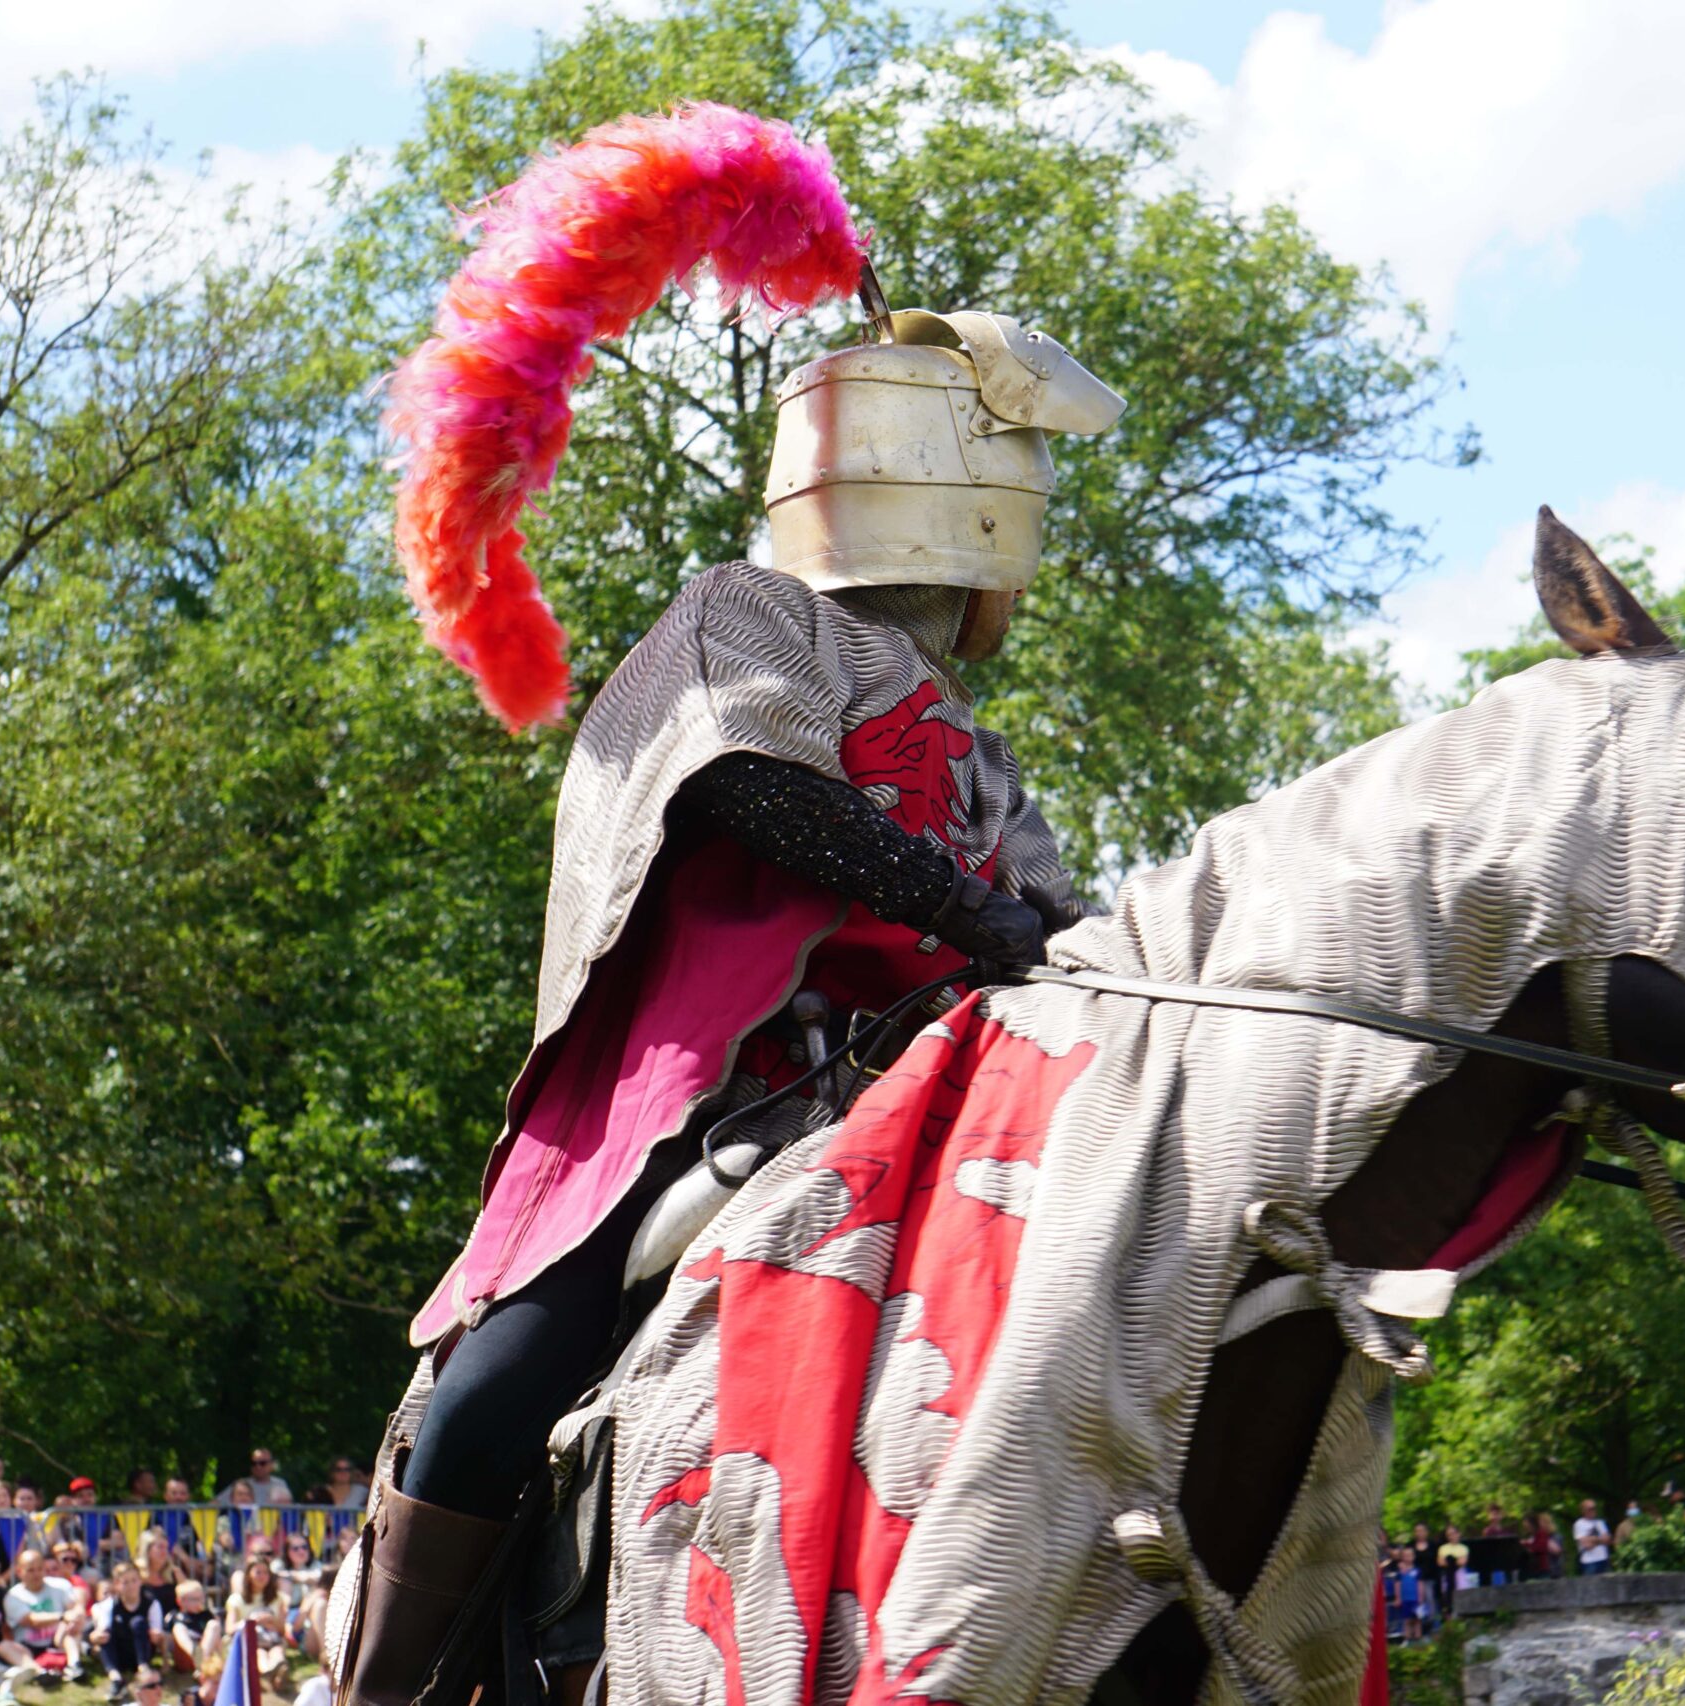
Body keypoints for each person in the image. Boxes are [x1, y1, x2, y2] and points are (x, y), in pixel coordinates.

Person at [341, 110, 1117, 1706]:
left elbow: (1066, 931)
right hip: (722, 1111)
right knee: (499, 1388)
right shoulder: (748, 610)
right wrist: (972, 920)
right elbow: (743, 788)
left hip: (939, 1121)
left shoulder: (972, 736)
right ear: (965, 489)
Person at [93, 1560, 166, 1697]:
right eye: (125, 1582)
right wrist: (96, 1636)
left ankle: (143, 1667)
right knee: (106, 1634)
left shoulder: (151, 1604)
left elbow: (158, 1633)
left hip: (142, 1650)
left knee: (138, 1622)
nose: (131, 1586)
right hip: (119, 1652)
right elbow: (101, 1628)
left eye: (134, 1580)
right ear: (117, 1585)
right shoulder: (110, 1605)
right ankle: (116, 1678)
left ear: (140, 1581)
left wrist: (156, 1635)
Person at [5, 1548, 81, 1678]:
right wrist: (62, 1616)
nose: (36, 1574)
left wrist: (74, 1616)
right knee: (4, 1646)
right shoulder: (13, 1596)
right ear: (19, 1572)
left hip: (58, 1641)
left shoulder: (61, 1585)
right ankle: (39, 1673)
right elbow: (31, 1620)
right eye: (31, 1570)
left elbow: (74, 1609)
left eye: (40, 1569)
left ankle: (75, 1666)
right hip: (28, 1646)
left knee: (70, 1626)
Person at [1571, 1501, 1612, 1577]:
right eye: (1591, 1508)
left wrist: (1591, 1539)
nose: (1594, 1510)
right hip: (1589, 1562)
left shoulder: (1600, 1522)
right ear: (1584, 1510)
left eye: (1595, 1508)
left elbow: (1608, 1540)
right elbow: (1586, 1545)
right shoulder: (1579, 1524)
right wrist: (1600, 1540)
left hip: (1603, 1559)